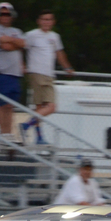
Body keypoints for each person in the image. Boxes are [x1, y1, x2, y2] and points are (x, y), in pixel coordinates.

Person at [20, 10, 75, 146]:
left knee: (41, 108)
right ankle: (27, 125)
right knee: (50, 106)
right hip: (37, 73)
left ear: (53, 22)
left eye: (49, 19)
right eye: (44, 19)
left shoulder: (55, 36)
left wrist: (67, 67)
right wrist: (22, 64)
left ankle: (38, 136)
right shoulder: (31, 35)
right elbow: (20, 48)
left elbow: (59, 53)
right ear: (39, 21)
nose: (46, 22)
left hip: (48, 74)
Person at [0, 2, 25, 143]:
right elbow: (5, 45)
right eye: (2, 14)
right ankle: (3, 134)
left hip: (15, 73)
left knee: (10, 106)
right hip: (1, 72)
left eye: (7, 14)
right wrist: (15, 43)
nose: (5, 16)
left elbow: (23, 44)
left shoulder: (17, 30)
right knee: (3, 105)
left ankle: (9, 133)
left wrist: (11, 41)